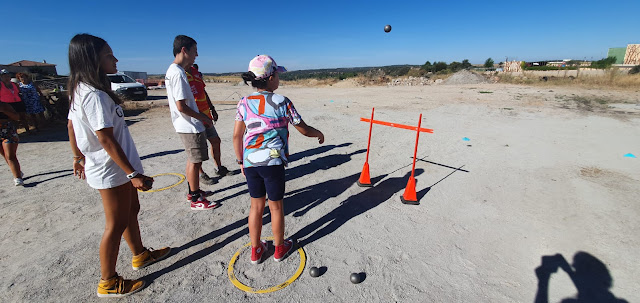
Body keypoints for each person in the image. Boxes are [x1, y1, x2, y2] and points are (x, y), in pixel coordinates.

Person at [66, 34, 170, 298]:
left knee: (131, 211)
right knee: (115, 224)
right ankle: (108, 281)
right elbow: (105, 137)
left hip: (116, 167)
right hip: (111, 169)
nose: (116, 59)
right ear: (93, 60)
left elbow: (71, 125)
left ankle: (139, 255)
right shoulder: (93, 95)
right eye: (109, 55)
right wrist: (132, 173)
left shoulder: (81, 89)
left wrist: (78, 156)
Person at [233, 55, 324, 264]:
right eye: (277, 75)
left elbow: (237, 136)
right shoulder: (283, 101)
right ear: (271, 77)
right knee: (275, 207)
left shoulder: (244, 103)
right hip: (273, 162)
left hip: (251, 162)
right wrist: (318, 133)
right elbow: (303, 128)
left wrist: (240, 162)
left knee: (256, 207)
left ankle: (256, 250)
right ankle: (279, 248)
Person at [165, 35, 217, 210]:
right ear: (184, 50)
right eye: (194, 51)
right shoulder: (178, 73)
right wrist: (202, 117)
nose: (197, 55)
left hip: (185, 124)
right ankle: (196, 198)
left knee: (192, 160)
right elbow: (181, 106)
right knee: (195, 161)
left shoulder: (173, 71)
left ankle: (194, 191)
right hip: (188, 125)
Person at [185, 63, 230, 186]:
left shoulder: (196, 73)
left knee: (216, 141)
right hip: (194, 118)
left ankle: (218, 168)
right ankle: (200, 174)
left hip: (206, 116)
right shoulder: (181, 75)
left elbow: (203, 92)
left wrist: (212, 108)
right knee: (198, 149)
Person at [0, 97, 23, 186]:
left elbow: (17, 117)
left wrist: (4, 111)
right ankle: (17, 172)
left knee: (10, 155)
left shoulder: (4, 105)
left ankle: (18, 178)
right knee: (4, 154)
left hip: (8, 131)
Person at [0, 69, 30, 134]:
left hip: (18, 102)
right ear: (1, 77)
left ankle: (28, 130)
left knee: (22, 117)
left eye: (7, 76)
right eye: (4, 76)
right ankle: (14, 133)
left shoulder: (14, 84)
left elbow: (18, 92)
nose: (6, 78)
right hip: (7, 103)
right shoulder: (1, 85)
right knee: (11, 119)